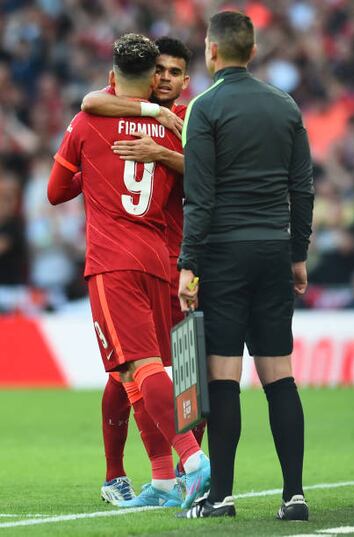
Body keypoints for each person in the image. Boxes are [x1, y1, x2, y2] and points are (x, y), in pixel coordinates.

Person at [48, 33, 210, 510]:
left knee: (165, 372)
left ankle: (193, 463)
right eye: (158, 70)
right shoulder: (159, 119)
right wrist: (150, 115)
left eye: (175, 72)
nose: (165, 78)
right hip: (161, 257)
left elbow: (209, 175)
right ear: (149, 76)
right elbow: (94, 99)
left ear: (186, 80)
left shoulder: (182, 121)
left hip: (168, 261)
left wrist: (156, 149)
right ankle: (157, 479)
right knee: (133, 374)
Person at [178, 11, 314, 519]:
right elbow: (302, 189)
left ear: (211, 51)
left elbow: (200, 197)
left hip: (224, 254)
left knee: (223, 378)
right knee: (280, 375)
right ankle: (294, 495)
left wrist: (188, 263)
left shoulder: (204, 108)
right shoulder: (286, 106)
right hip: (273, 250)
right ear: (252, 52)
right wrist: (296, 253)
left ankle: (222, 497)